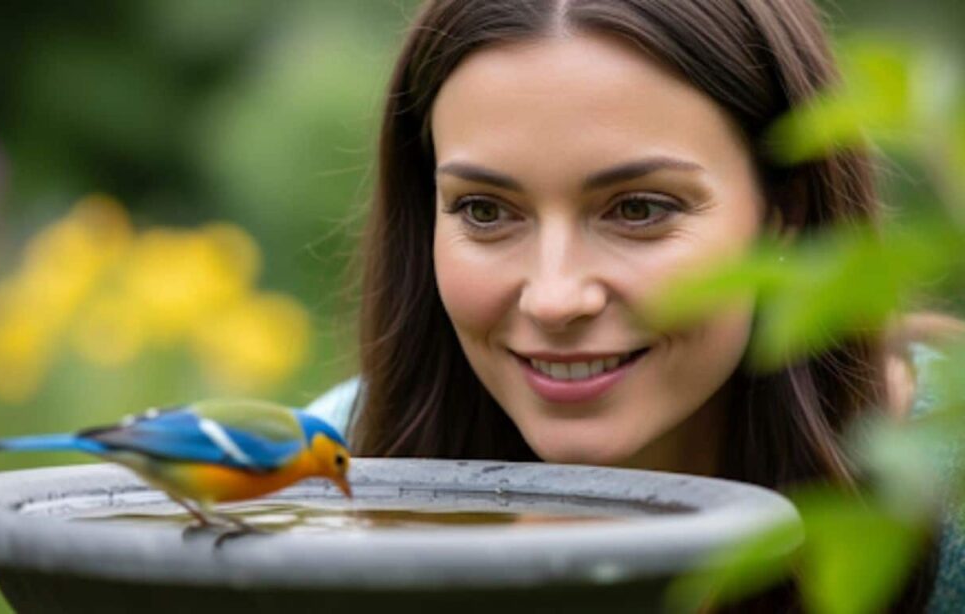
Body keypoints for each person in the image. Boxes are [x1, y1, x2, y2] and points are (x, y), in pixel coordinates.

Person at [304, 0, 961, 610]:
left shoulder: (948, 486)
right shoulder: (316, 466)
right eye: (485, 211)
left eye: (639, 210)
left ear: (781, 215)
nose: (555, 298)